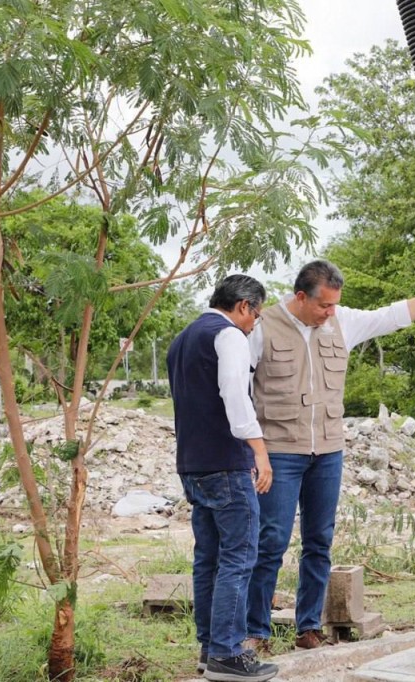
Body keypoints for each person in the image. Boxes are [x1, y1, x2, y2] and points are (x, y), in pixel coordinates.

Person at [246, 259, 415, 650]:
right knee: (270, 541)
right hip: (279, 451)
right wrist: (252, 450)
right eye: (323, 306)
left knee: (319, 540)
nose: (330, 313)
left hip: (327, 452)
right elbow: (238, 388)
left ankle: (308, 626)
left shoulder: (341, 321)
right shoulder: (262, 327)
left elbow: (392, 316)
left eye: (334, 306)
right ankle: (255, 631)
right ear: (300, 297)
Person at [166, 274, 278, 682]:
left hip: (192, 464)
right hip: (226, 464)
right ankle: (228, 654)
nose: (254, 325)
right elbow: (236, 395)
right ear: (244, 306)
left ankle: (209, 648)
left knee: (208, 558)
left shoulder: (182, 338)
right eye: (256, 316)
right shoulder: (228, 335)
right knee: (239, 556)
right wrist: (260, 452)